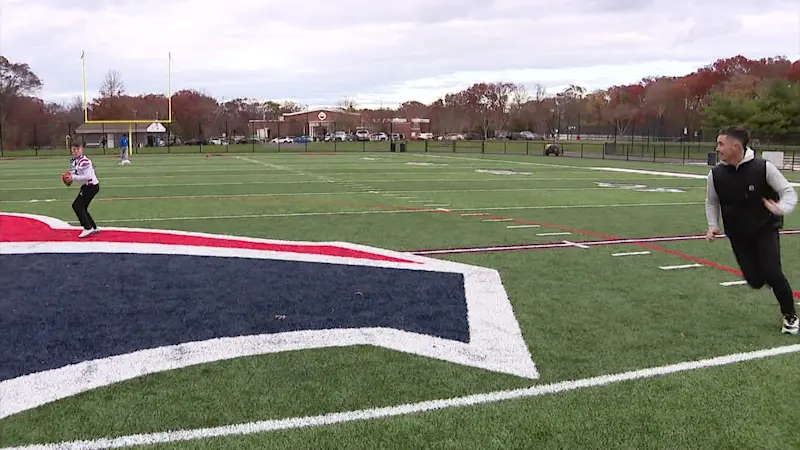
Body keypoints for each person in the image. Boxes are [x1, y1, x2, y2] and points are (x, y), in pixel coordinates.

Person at [705, 125, 798, 335]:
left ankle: (790, 315)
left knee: (774, 273)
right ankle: (763, 274)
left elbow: (788, 192)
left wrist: (781, 207)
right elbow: (711, 202)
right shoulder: (716, 174)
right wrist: (713, 225)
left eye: (721, 144)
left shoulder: (763, 168)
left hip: (765, 229)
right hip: (738, 234)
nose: (717, 148)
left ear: (735, 146)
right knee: (755, 281)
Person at [67, 142, 100, 238]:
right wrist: (70, 173)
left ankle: (88, 227)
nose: (76, 151)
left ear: (82, 150)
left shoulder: (85, 161)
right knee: (82, 207)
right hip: (87, 186)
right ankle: (93, 227)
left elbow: (88, 177)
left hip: (91, 186)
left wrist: (73, 177)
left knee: (77, 206)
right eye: (74, 149)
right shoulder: (75, 160)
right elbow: (76, 171)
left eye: (78, 149)